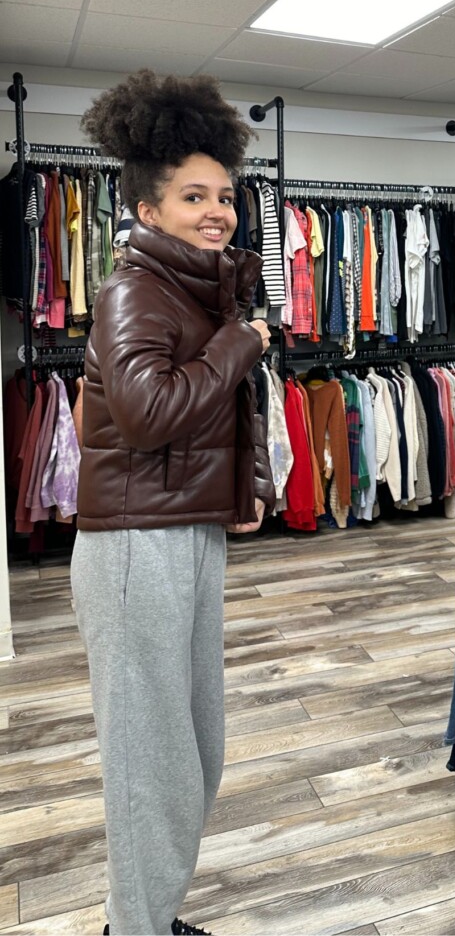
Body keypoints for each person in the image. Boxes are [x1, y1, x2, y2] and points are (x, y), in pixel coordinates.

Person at [71, 69, 276, 936]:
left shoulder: (194, 290)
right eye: (194, 196)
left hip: (182, 533)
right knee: (148, 758)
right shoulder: (133, 293)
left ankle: (147, 917)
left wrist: (246, 487)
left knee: (193, 748)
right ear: (148, 212)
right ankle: (134, 928)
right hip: (134, 548)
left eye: (224, 195)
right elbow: (153, 415)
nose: (216, 211)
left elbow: (205, 417)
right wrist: (240, 342)